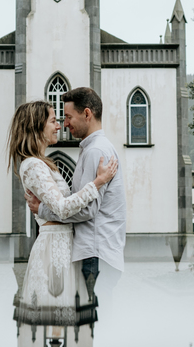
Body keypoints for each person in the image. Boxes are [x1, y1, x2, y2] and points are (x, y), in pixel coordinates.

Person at [8, 100, 118, 323]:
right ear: (36, 127)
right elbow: (63, 208)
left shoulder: (42, 164)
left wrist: (43, 208)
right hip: (53, 248)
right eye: (53, 121)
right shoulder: (33, 165)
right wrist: (97, 182)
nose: (58, 126)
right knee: (55, 316)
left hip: (64, 245)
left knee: (67, 316)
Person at [27, 87, 126, 305]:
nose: (65, 124)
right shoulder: (95, 148)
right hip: (98, 254)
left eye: (69, 117)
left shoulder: (95, 152)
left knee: (93, 328)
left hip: (94, 254)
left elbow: (87, 210)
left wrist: (41, 209)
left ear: (87, 114)